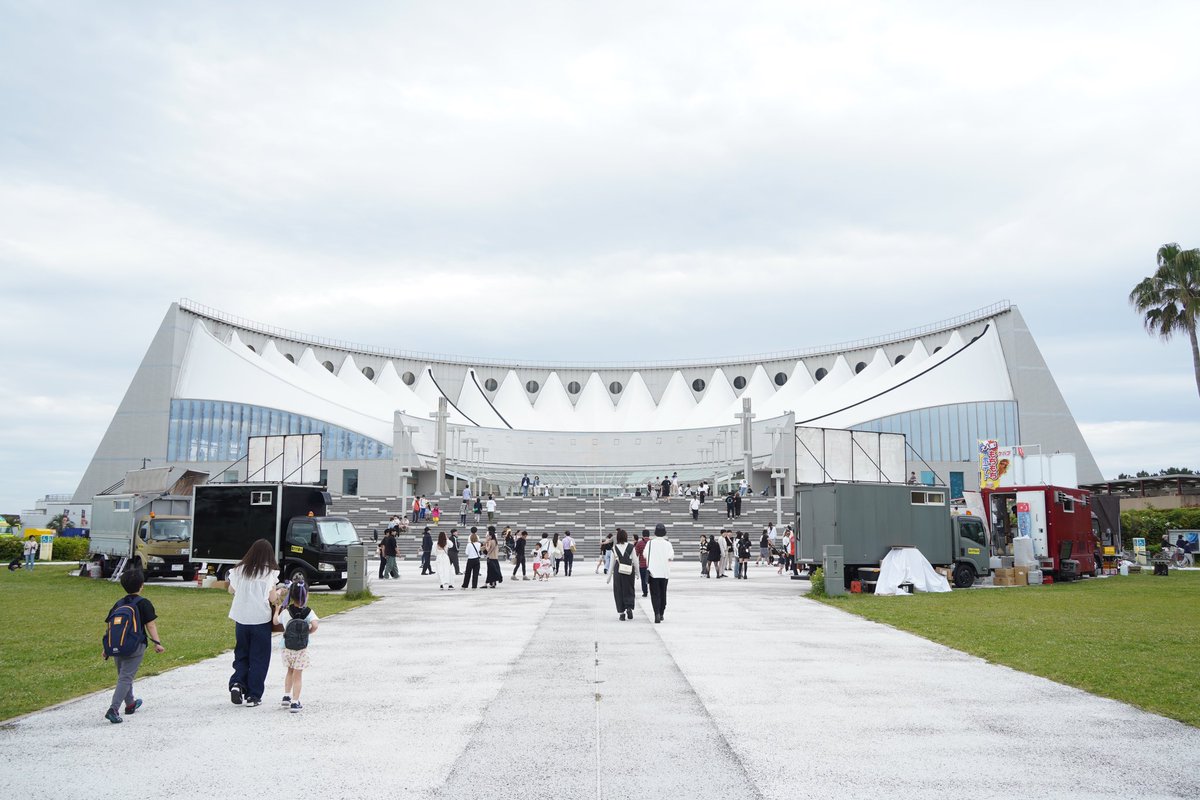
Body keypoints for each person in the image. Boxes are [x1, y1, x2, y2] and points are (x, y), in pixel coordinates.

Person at [102, 568, 164, 723]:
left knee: (124, 675)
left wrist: (106, 647)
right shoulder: (144, 603)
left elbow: (111, 626)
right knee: (126, 677)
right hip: (135, 646)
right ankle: (113, 709)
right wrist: (157, 643)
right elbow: (150, 625)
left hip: (117, 644)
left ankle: (130, 704)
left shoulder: (119, 604)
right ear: (141, 585)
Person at [227, 539, 279, 707]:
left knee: (242, 653)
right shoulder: (268, 573)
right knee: (259, 657)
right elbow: (272, 598)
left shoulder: (240, 570)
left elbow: (231, 590)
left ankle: (237, 683)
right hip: (260, 619)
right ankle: (253, 696)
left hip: (241, 619)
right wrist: (279, 592)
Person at [276, 580, 319, 713]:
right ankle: (295, 702)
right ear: (306, 595)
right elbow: (315, 625)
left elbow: (275, 621)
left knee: (289, 671)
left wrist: (277, 610)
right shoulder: (308, 612)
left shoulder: (286, 611)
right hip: (301, 648)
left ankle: (286, 696)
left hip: (287, 647)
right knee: (298, 675)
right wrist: (309, 632)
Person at [644, 523, 675, 623]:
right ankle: (661, 613)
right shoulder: (668, 544)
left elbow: (645, 555)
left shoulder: (650, 543)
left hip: (653, 573)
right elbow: (671, 557)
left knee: (655, 594)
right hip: (665, 573)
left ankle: (656, 613)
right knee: (663, 593)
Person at [607, 528, 638, 620]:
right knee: (629, 589)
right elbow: (635, 561)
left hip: (618, 572)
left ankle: (621, 613)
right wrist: (638, 573)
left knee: (618, 591)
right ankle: (629, 607)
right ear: (626, 537)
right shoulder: (631, 546)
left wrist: (609, 577)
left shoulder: (614, 548)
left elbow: (611, 564)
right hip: (629, 571)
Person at [634, 529, 651, 596]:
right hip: (651, 565)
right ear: (649, 535)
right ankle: (653, 592)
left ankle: (645, 592)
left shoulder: (639, 543)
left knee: (643, 579)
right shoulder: (652, 542)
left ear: (643, 535)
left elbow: (636, 554)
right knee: (653, 580)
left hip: (642, 565)